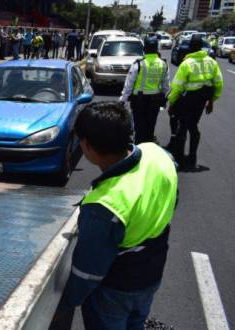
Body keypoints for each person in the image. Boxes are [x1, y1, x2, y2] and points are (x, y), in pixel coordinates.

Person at [51, 101, 178, 330]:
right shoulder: (157, 154)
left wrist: (64, 303)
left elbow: (88, 271)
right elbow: (172, 195)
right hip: (152, 275)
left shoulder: (103, 205)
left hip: (117, 289)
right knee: (136, 322)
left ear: (87, 145)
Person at [167, 34, 224, 169]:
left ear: (190, 47)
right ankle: (192, 157)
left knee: (183, 127)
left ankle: (179, 158)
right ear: (202, 47)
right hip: (201, 101)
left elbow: (177, 86)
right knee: (193, 126)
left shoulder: (186, 63)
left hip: (187, 100)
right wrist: (212, 101)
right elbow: (219, 83)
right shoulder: (212, 62)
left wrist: (171, 102)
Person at [120, 37, 170, 144]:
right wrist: (165, 99)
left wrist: (122, 100)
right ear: (157, 49)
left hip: (139, 101)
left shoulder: (138, 64)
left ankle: (139, 150)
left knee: (139, 128)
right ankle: (148, 148)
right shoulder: (163, 64)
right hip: (155, 101)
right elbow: (166, 86)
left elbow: (129, 85)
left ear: (145, 49)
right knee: (150, 127)